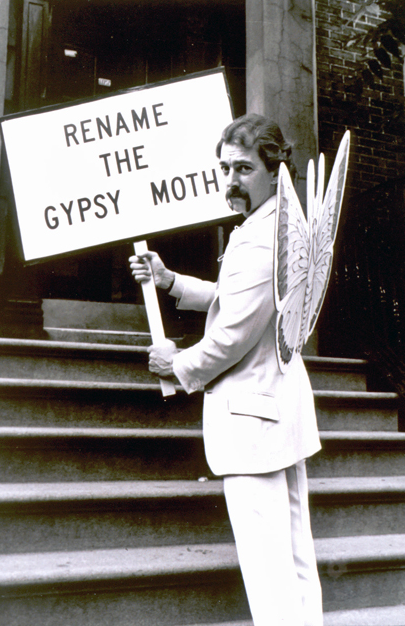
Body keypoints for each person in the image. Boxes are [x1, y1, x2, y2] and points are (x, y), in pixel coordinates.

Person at [129, 114, 323, 626]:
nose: (231, 181)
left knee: (269, 570)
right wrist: (171, 281)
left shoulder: (264, 236)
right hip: (274, 410)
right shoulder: (275, 222)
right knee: (294, 562)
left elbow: (233, 335)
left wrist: (177, 365)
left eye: (243, 168)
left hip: (253, 419)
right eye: (224, 168)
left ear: (274, 169)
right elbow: (239, 299)